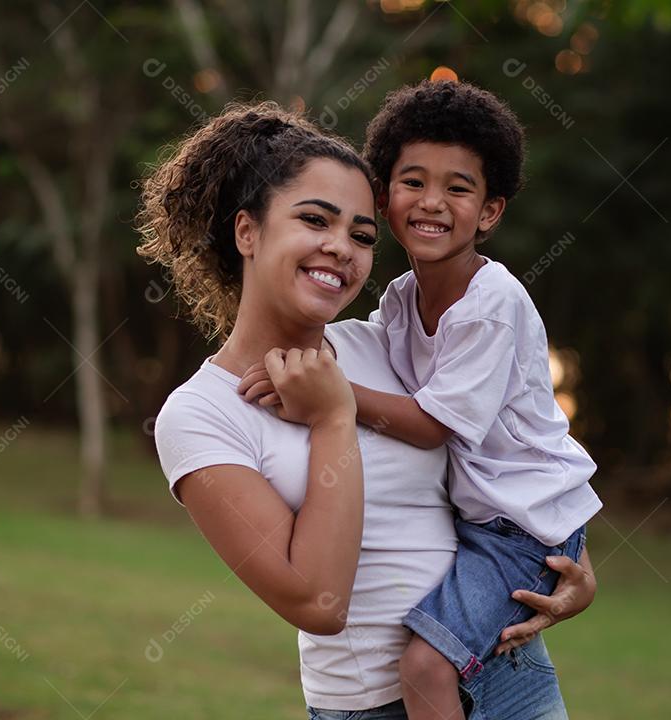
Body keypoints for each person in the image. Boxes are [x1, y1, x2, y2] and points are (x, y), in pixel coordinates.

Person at [140, 100, 596, 719]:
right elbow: (318, 603)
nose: (341, 249)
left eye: (360, 234)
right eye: (314, 220)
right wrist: (331, 418)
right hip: (376, 704)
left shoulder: (379, 344)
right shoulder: (200, 414)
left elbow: (499, 438)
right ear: (247, 231)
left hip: (510, 675)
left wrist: (570, 566)